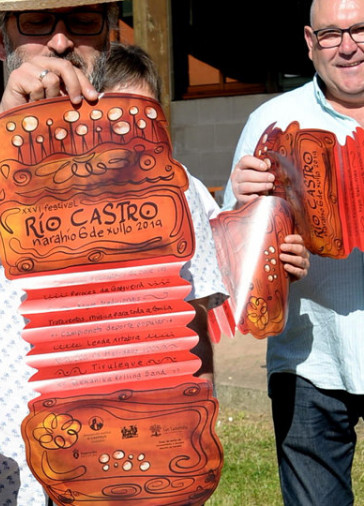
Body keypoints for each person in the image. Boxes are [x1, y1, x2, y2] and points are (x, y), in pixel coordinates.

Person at [0, 2, 228, 502]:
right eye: (35, 23)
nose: (59, 42)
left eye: (81, 22)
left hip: (117, 480)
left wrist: (186, 461)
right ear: (0, 41)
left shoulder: (158, 174)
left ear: (106, 35)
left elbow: (188, 335)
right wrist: (4, 119)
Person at [222, 0, 364, 503]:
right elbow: (232, 262)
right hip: (311, 360)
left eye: (360, 30)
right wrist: (244, 206)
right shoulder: (273, 119)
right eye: (331, 34)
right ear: (309, 42)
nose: (348, 47)